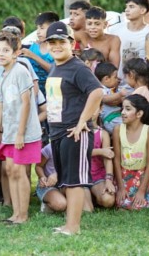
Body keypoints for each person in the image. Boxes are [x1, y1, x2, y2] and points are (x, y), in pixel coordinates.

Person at [43, 21, 104, 235]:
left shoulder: (77, 67)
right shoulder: (56, 66)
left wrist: (81, 123)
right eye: (52, 42)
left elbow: (97, 92)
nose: (56, 46)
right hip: (58, 131)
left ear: (72, 43)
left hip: (73, 132)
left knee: (75, 181)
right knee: (67, 180)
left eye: (61, 41)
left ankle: (73, 227)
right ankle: (68, 224)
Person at [0, 32, 42, 224]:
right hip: (9, 133)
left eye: (6, 50)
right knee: (10, 170)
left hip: (24, 133)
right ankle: (15, 212)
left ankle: (23, 215)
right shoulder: (1, 75)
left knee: (20, 172)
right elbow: (0, 108)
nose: (1, 54)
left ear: (15, 53)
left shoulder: (20, 71)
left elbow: (27, 103)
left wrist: (20, 133)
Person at [112, 95, 149, 211]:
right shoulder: (117, 129)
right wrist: (121, 187)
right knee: (122, 203)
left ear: (139, 114)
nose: (122, 112)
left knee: (138, 206)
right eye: (122, 108)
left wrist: (142, 190)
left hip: (141, 177)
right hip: (123, 175)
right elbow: (116, 160)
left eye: (127, 109)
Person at [107, 0, 149, 78]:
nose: (127, 10)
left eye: (131, 7)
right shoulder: (115, 30)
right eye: (126, 6)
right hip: (117, 84)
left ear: (143, 10)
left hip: (140, 83)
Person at [21, 11, 58, 95]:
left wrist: (33, 56)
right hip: (34, 93)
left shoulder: (57, 49)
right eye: (37, 28)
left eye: (42, 28)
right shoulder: (34, 46)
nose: (37, 32)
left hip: (52, 94)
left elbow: (54, 70)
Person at [35, 143, 67, 213]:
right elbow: (38, 166)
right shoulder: (49, 148)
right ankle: (48, 202)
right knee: (61, 204)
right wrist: (43, 177)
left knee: (85, 208)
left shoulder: (74, 148)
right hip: (48, 186)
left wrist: (57, 175)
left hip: (66, 184)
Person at [95, 62, 123, 133]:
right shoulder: (101, 89)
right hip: (111, 119)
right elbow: (105, 99)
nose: (118, 80)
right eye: (115, 77)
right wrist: (120, 94)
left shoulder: (110, 89)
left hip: (116, 116)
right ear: (106, 79)